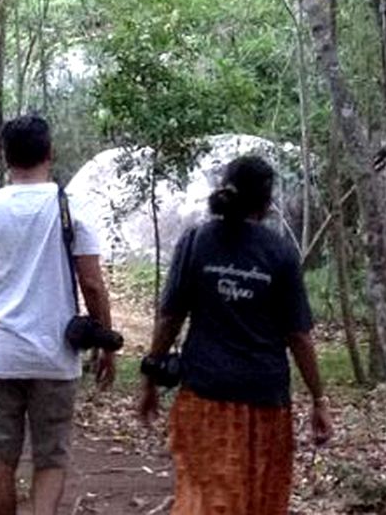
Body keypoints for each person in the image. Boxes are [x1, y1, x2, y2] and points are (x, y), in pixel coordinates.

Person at [137, 154, 333, 515]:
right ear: (267, 202)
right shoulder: (280, 252)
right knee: (258, 497)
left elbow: (170, 318)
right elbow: (299, 336)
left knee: (202, 494)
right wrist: (318, 398)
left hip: (204, 395)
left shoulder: (196, 242)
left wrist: (150, 377)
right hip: (264, 399)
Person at [0, 115, 117, 515]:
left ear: (4, 156)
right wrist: (107, 344)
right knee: (51, 458)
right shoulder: (71, 207)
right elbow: (92, 284)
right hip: (54, 356)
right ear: (50, 152)